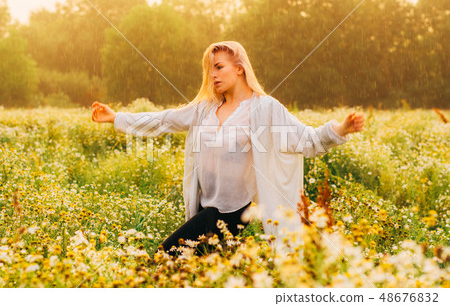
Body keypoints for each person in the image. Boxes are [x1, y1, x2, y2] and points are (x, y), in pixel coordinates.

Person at [91, 41, 365, 256]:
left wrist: (341, 129)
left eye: (219, 67)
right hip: (203, 208)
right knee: (197, 275)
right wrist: (117, 118)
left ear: (240, 68)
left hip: (231, 213)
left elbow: (308, 140)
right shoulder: (206, 109)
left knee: (165, 257)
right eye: (210, 69)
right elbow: (164, 120)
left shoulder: (264, 108)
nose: (212, 74)